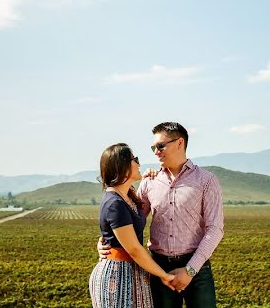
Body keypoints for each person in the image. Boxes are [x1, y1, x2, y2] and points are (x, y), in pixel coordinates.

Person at [98, 122, 224, 307]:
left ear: (180, 143)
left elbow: (215, 229)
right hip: (158, 268)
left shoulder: (206, 181)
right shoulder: (149, 181)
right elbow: (126, 219)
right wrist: (105, 242)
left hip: (197, 269)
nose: (156, 152)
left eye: (160, 146)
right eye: (153, 147)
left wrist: (190, 270)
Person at [89, 143, 176, 308]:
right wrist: (163, 275)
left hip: (132, 272)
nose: (138, 163)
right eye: (134, 159)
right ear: (121, 165)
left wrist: (153, 177)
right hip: (117, 275)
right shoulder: (114, 203)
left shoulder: (128, 196)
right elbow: (134, 249)